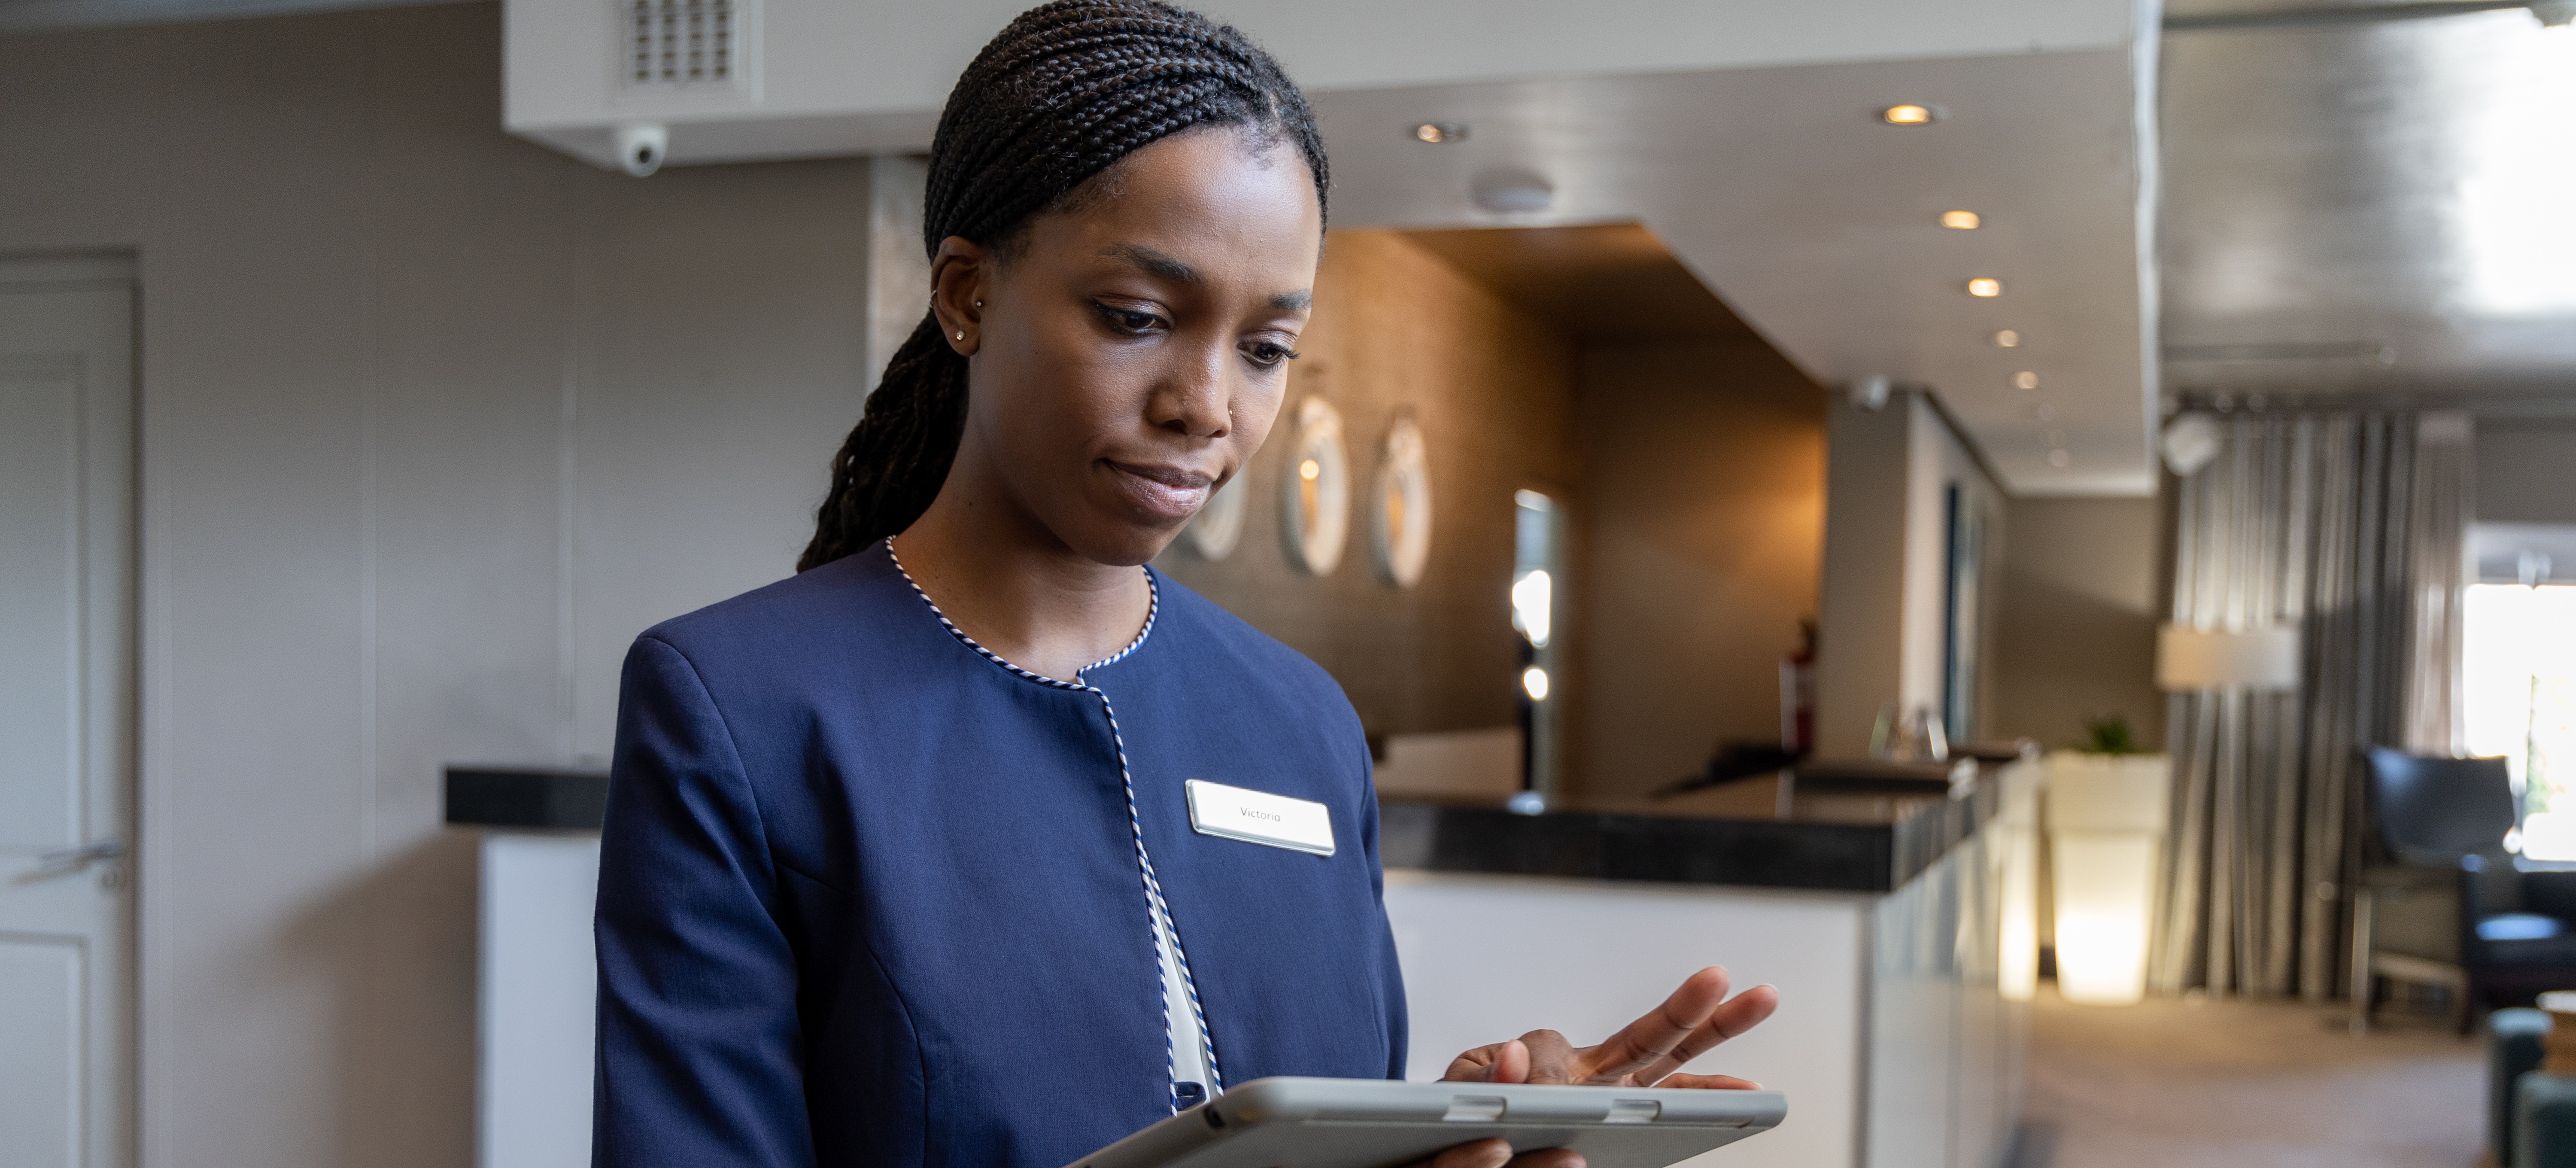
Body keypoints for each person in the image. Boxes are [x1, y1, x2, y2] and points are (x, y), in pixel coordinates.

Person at [589, 3, 1779, 1166]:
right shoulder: (739, 707)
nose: (1208, 406)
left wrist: (1445, 1142)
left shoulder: (1300, 719)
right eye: (1139, 317)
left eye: (1266, 348)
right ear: (967, 294)